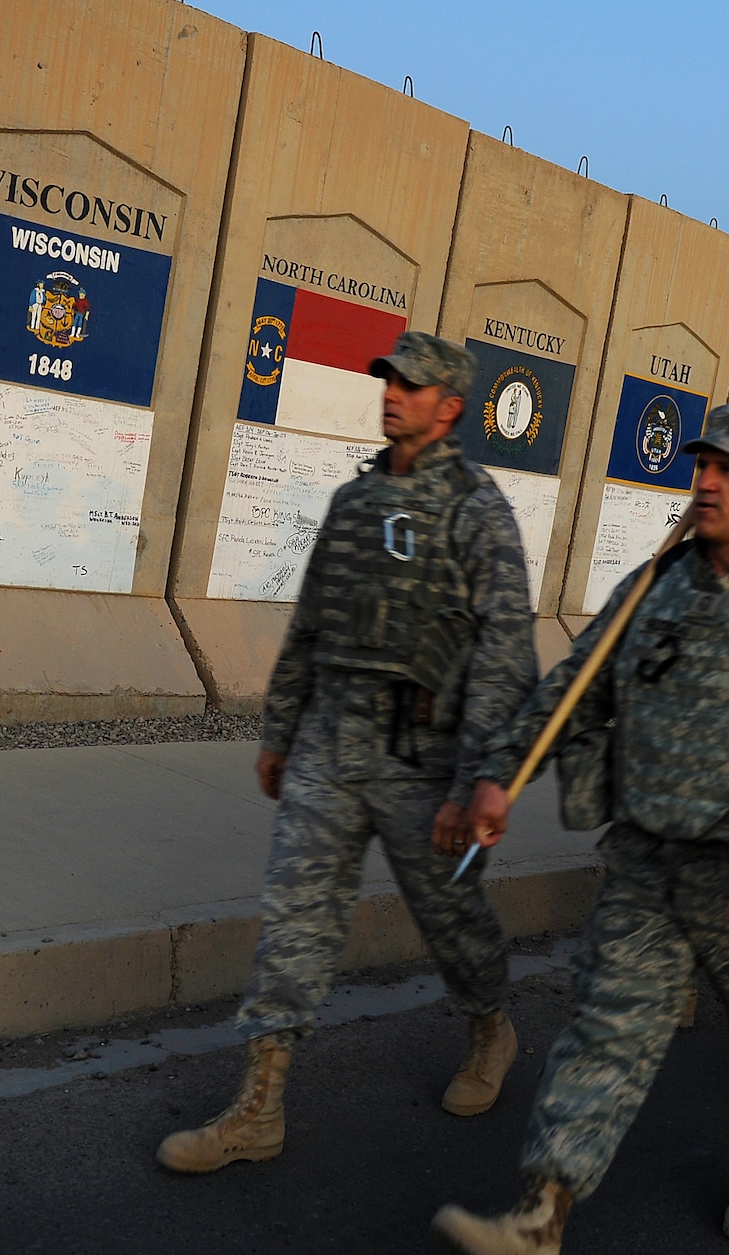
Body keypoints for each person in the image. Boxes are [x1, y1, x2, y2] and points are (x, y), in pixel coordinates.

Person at [432, 405, 729, 1255]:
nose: (708, 481)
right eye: (703, 464)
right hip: (648, 861)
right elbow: (572, 693)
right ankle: (543, 1212)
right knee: (606, 1028)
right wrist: (503, 773)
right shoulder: (655, 586)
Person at [157, 332, 538, 1174]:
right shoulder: (354, 502)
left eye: (413, 384)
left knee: (452, 918)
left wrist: (479, 778)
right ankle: (259, 1106)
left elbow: (505, 654)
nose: (393, 392)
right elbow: (312, 623)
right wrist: (281, 728)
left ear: (452, 407)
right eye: (389, 379)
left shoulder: (479, 510)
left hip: (423, 756)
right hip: (331, 742)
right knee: (295, 916)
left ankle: (489, 1025)